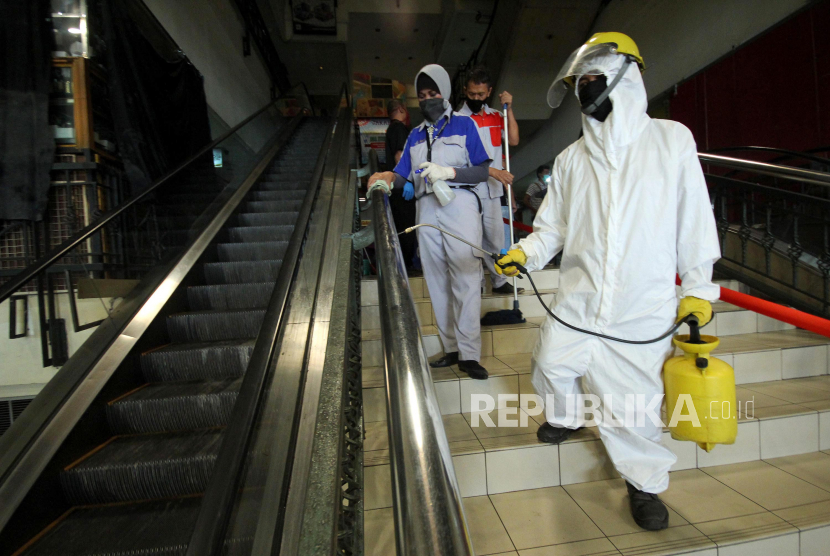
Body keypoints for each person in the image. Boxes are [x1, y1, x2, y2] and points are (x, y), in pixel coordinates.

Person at [496, 32, 720, 530]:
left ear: (627, 80)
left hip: (640, 306)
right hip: (579, 298)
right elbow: (552, 228)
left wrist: (699, 291)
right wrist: (524, 253)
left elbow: (694, 223)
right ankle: (568, 415)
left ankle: (644, 486)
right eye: (579, 83)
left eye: (593, 81)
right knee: (551, 362)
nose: (584, 92)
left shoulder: (671, 140)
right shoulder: (573, 159)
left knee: (632, 407)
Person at [368, 64, 492, 380]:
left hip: (459, 206)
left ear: (445, 92)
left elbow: (480, 170)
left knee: (465, 277)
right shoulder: (415, 134)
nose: (427, 100)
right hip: (426, 211)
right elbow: (402, 174)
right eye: (422, 96)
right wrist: (385, 176)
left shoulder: (464, 126)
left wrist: (450, 173)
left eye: (433, 93)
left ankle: (469, 354)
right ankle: (450, 348)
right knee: (437, 282)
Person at [457, 66, 522, 295]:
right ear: (465, 90)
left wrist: (509, 109)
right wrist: (494, 171)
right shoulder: (457, 120)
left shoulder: (496, 115)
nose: (476, 98)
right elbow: (461, 159)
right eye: (472, 94)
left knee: (495, 238)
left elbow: (513, 139)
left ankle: (499, 280)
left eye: (481, 95)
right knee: (471, 240)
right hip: (467, 190)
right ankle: (476, 285)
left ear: (489, 92)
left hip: (493, 190)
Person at [384, 99, 417, 271]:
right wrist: (409, 180)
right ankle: (408, 265)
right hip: (402, 189)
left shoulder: (391, 129)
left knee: (403, 227)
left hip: (396, 189)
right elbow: (400, 156)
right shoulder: (398, 128)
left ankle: (406, 264)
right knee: (408, 228)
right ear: (401, 108)